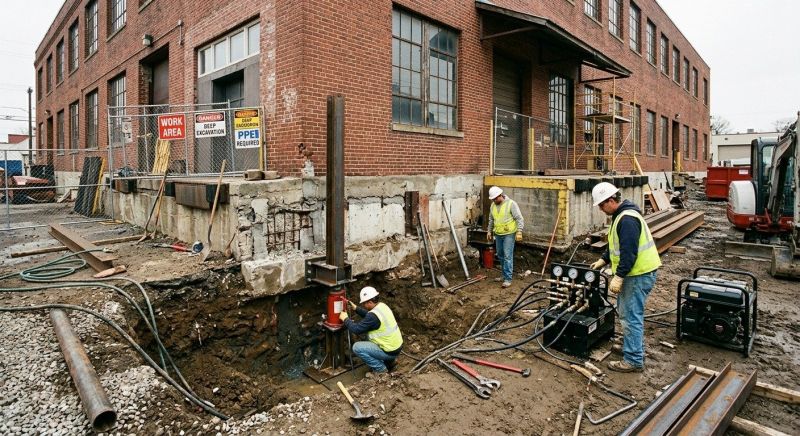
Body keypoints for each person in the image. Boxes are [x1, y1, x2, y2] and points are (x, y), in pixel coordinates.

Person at [589, 182, 661, 373]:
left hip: (637, 274)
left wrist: (619, 276)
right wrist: (603, 261)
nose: (601, 209)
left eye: (602, 205)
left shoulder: (627, 219)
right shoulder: (621, 216)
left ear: (611, 201)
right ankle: (631, 347)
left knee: (630, 316)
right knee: (626, 312)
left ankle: (633, 359)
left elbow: (629, 253)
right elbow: (616, 246)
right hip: (636, 273)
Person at [339, 286, 403, 373]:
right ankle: (390, 363)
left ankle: (381, 369)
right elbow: (369, 315)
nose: (364, 306)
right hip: (395, 347)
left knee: (357, 347)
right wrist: (356, 308)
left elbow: (357, 329)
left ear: (369, 302)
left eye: (364, 303)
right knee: (368, 338)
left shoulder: (372, 316)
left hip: (389, 352)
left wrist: (345, 319)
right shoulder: (382, 306)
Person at [486, 186, 524, 288]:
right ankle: (503, 275)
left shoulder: (511, 204)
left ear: (500, 195)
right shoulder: (493, 206)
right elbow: (491, 220)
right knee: (501, 255)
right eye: (492, 199)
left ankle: (508, 278)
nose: (494, 200)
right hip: (498, 234)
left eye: (495, 198)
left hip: (509, 234)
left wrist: (519, 231)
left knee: (507, 256)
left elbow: (519, 218)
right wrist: (489, 231)